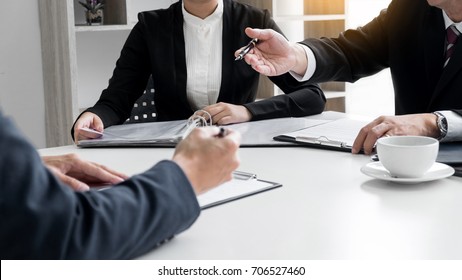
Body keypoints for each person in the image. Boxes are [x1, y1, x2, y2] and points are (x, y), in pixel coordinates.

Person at [72, 0, 326, 142]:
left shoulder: (255, 24)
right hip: (172, 155)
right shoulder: (151, 27)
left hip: (239, 150)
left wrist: (247, 111)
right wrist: (95, 116)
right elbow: (117, 99)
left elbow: (312, 96)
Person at [0, 110, 241, 259]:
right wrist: (187, 175)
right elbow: (59, 236)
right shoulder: (152, 27)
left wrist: (24, 169)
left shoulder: (255, 27)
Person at [238, 0, 462, 154]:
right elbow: (352, 51)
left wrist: (435, 122)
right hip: (406, 169)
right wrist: (294, 55)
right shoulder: (409, 8)